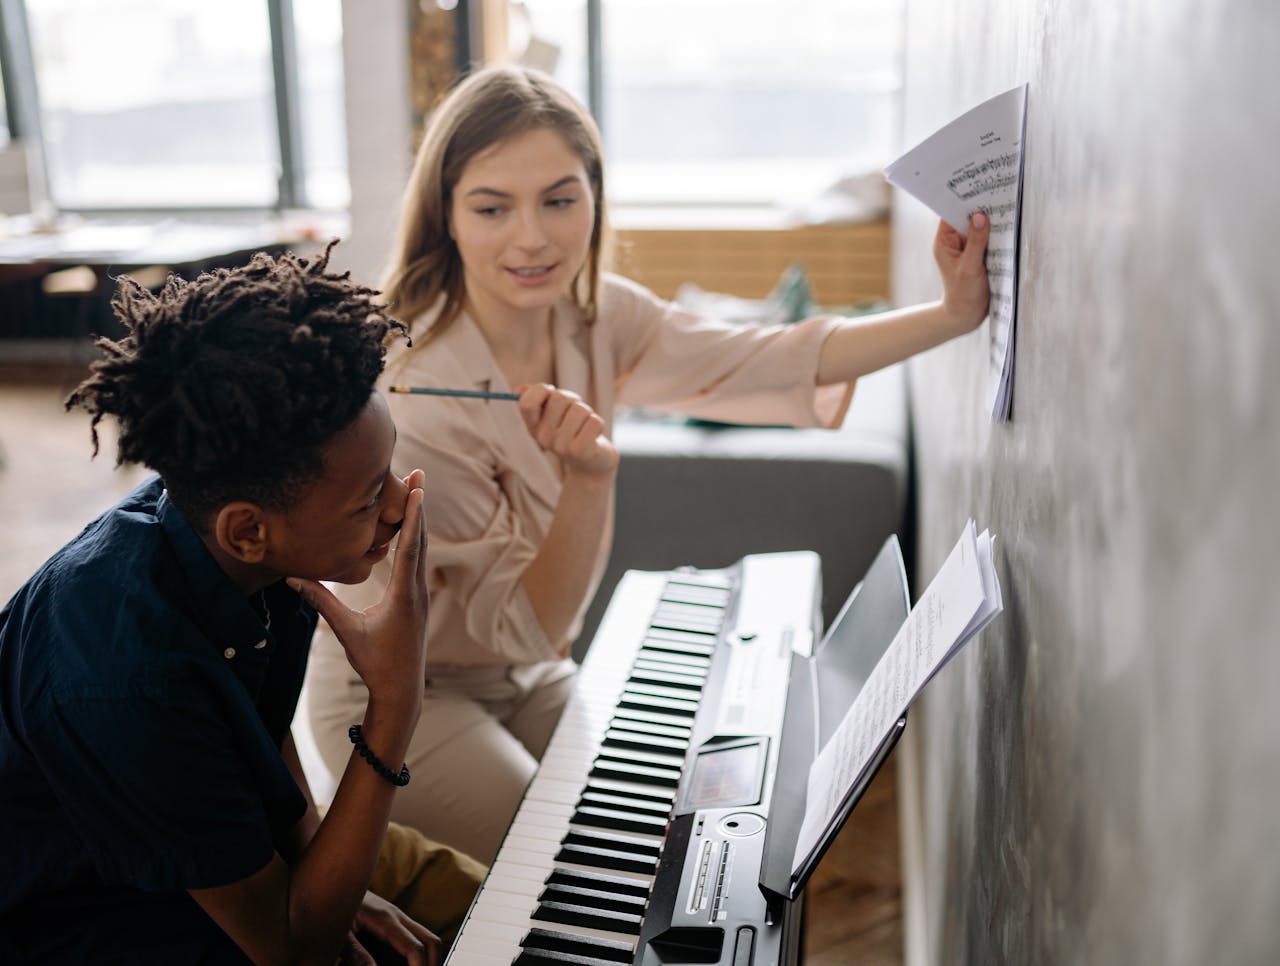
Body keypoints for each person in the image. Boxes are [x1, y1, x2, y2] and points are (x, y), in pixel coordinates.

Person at [304, 64, 993, 864]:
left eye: (560, 199)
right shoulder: (416, 388)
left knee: (674, 821)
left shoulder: (600, 316)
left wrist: (951, 316)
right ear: (447, 216)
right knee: (592, 863)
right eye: (493, 207)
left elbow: (767, 358)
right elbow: (533, 624)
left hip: (519, 673)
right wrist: (590, 481)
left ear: (594, 199)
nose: (533, 237)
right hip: (398, 693)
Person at [0, 245, 485, 965]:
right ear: (250, 531)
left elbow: (256, 728)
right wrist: (394, 704)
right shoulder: (127, 678)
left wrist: (333, 878)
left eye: (388, 471)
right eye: (365, 499)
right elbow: (293, 951)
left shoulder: (242, 548)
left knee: (476, 894)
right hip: (89, 917)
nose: (397, 506)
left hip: (213, 848)